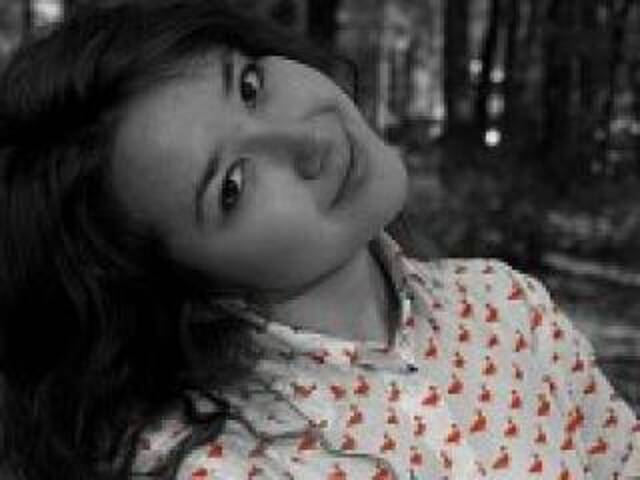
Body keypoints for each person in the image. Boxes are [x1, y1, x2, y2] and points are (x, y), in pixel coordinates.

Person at [0, 1, 638, 479]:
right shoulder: (204, 464)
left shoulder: (507, 306)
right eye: (232, 185)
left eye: (250, 86)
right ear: (167, 280)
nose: (310, 141)